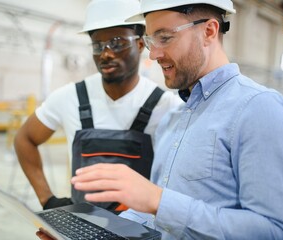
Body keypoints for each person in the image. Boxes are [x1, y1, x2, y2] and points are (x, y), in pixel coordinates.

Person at [37, 0, 283, 239]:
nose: (153, 54)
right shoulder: (174, 118)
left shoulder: (258, 109)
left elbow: (281, 231)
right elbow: (150, 216)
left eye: (165, 37)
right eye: (151, 40)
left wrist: (159, 201)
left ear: (209, 31)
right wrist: (89, 235)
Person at [14, 0, 181, 213]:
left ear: (141, 45)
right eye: (97, 46)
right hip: (82, 226)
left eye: (118, 43)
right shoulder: (70, 97)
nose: (106, 54)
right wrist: (48, 200)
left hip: (142, 230)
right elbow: (24, 139)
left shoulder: (167, 106)